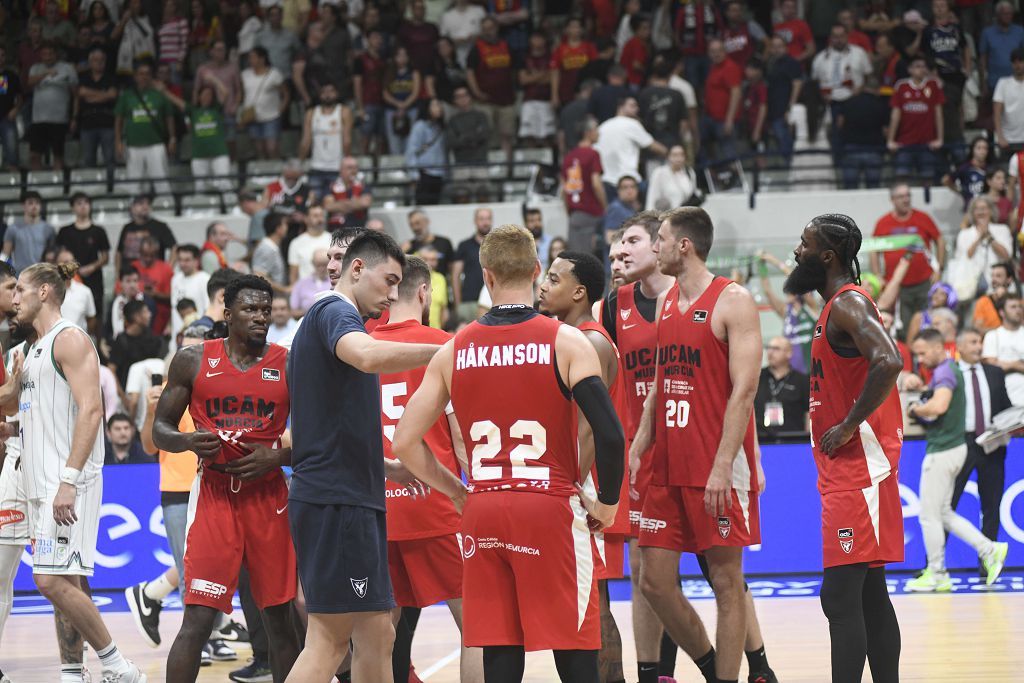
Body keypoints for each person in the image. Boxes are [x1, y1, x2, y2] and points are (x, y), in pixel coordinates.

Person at [392, 224, 624, 683]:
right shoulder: (565, 340)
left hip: (484, 509)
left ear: (486, 276)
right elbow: (610, 434)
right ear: (537, 270)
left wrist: (457, 491)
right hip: (548, 506)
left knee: (500, 650)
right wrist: (609, 505)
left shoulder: (454, 348)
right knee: (574, 649)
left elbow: (403, 443)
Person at [285, 231, 440, 682]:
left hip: (354, 493)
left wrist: (382, 464)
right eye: (389, 281)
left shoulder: (333, 320)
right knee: (329, 642)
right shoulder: (334, 312)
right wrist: (447, 348)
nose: (393, 295)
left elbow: (331, 417)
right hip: (336, 502)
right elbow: (368, 356)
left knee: (378, 636)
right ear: (357, 270)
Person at [629, 207, 762, 683]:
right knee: (654, 582)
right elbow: (663, 376)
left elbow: (745, 390)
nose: (657, 246)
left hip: (714, 463)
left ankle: (729, 677)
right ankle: (709, 663)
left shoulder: (734, 300)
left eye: (661, 239)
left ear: (683, 245)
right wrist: (643, 437)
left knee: (727, 583)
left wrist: (726, 464)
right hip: (666, 463)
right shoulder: (667, 303)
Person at [153, 275, 300, 683]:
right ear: (227, 311)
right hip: (215, 496)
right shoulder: (192, 359)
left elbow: (321, 436)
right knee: (197, 621)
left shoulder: (289, 362)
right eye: (251, 309)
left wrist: (278, 457)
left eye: (266, 310)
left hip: (269, 498)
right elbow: (159, 429)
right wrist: (185, 440)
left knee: (281, 622)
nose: (261, 317)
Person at [10, 261, 146, 681]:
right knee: (67, 583)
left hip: (66, 483)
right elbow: (19, 408)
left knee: (49, 581)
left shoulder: (69, 339)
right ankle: (74, 670)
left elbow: (92, 411)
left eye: (19, 289)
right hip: (40, 484)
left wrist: (68, 480)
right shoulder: (32, 349)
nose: (12, 298)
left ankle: (118, 666)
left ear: (45, 291)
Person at [784, 213, 902, 683]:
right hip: (845, 473)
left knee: (838, 597)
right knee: (871, 594)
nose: (797, 251)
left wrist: (850, 424)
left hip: (859, 471)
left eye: (804, 243)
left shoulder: (849, 304)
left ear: (826, 256)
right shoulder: (833, 306)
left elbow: (889, 361)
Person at [370, 256, 482, 683]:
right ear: (423, 292)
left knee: (379, 634)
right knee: (477, 625)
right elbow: (462, 441)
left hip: (376, 507)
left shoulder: (359, 345)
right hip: (436, 504)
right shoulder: (444, 344)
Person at [537, 250, 632, 683]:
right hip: (582, 484)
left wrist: (572, 490)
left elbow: (589, 431)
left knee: (595, 603)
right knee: (583, 602)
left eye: (553, 279)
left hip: (587, 488)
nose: (543, 285)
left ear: (579, 292)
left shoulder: (590, 340)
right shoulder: (571, 336)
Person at [598, 211, 678, 682]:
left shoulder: (695, 299)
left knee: (722, 574)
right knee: (645, 572)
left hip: (695, 444)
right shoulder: (614, 305)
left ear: (660, 244)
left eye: (631, 241)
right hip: (642, 454)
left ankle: (756, 666)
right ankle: (654, 673)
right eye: (615, 247)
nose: (620, 253)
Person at [905, 328, 1009, 592]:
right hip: (955, 449)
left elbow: (939, 406)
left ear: (938, 347)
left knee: (929, 516)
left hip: (943, 450)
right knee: (943, 513)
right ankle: (989, 549)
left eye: (922, 352)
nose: (919, 358)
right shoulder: (950, 370)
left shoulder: (944, 371)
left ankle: (937, 573)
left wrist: (915, 409)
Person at [952, 327, 1014, 575]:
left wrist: (1013, 420)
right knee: (947, 504)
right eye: (973, 342)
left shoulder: (995, 373)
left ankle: (988, 564)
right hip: (961, 443)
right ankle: (933, 566)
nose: (978, 347)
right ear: (960, 347)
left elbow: (1006, 407)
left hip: (992, 443)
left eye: (980, 342)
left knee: (991, 505)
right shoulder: (952, 373)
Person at [871, 185, 945, 338]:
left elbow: (940, 240)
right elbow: (874, 249)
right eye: (901, 197)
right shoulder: (883, 222)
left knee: (928, 323)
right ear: (892, 200)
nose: (906, 200)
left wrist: (939, 268)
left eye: (908, 196)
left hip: (925, 282)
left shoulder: (923, 218)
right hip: (898, 287)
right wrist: (878, 275)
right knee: (903, 326)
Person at [114, 59, 174, 196]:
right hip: (133, 145)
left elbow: (169, 117)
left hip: (156, 144)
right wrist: (118, 142)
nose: (144, 76)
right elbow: (119, 120)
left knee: (161, 181)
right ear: (135, 76)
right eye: (141, 74)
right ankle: (134, 211)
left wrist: (172, 138)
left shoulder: (159, 94)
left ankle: (166, 207)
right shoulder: (127, 96)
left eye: (147, 73)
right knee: (134, 184)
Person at [887, 55, 944, 183]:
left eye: (923, 66)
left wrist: (940, 138)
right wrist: (890, 140)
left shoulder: (933, 85)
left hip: (927, 143)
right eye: (917, 66)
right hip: (905, 143)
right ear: (910, 70)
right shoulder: (901, 86)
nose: (921, 69)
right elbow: (895, 114)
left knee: (928, 178)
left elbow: (938, 114)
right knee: (901, 178)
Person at [595, 95, 667, 195]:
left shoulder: (602, 126)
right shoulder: (632, 124)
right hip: (629, 181)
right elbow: (652, 146)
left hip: (607, 181)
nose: (637, 109)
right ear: (621, 107)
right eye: (632, 106)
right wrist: (670, 153)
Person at [56, 192, 110, 323]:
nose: (83, 206)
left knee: (96, 313)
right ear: (73, 207)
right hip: (69, 277)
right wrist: (71, 266)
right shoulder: (65, 231)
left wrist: (92, 267)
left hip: (93, 278)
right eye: (79, 203)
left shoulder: (98, 231)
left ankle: (96, 341)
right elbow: (60, 255)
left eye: (86, 203)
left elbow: (105, 257)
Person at [27, 41, 77, 170]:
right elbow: (28, 83)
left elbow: (76, 94)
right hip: (38, 119)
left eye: (51, 53)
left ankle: (57, 186)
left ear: (56, 54)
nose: (48, 57)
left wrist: (74, 117)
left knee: (58, 155)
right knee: (34, 155)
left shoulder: (67, 68)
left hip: (59, 119)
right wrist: (46, 73)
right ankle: (36, 184)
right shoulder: (35, 68)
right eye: (44, 54)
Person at [562, 115, 607, 256]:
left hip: (575, 215)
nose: (599, 133)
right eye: (596, 129)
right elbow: (596, 183)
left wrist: (569, 211)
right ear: (587, 133)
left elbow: (564, 189)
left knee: (576, 260)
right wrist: (606, 207)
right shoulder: (593, 154)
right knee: (592, 260)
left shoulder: (568, 157)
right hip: (592, 214)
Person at [755, 336, 809, 439]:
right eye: (768, 348)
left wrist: (807, 438)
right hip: (761, 440)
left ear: (789, 353)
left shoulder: (802, 380)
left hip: (793, 441)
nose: (770, 352)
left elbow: (808, 413)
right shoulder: (757, 377)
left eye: (776, 349)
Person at [240, 46, 288, 159]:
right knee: (259, 149)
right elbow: (242, 94)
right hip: (253, 116)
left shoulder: (274, 74)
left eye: (253, 57)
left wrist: (281, 109)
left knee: (271, 148)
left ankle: (276, 172)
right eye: (249, 58)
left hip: (271, 116)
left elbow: (285, 93)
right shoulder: (245, 75)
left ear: (262, 59)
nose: (250, 60)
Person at [77, 47, 117, 175]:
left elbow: (113, 95)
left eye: (101, 60)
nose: (99, 63)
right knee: (88, 160)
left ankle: (111, 187)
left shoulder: (111, 78)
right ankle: (91, 188)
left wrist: (91, 95)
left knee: (110, 158)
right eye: (95, 60)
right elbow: (81, 93)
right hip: (88, 124)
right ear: (90, 62)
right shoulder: (83, 78)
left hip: (107, 123)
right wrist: (104, 94)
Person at [116, 195, 177, 274]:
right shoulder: (127, 228)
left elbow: (174, 248)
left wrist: (167, 271)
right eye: (141, 204)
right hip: (129, 276)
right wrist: (118, 275)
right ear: (132, 207)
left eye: (148, 204)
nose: (145, 207)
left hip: (153, 276)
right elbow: (119, 253)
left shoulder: (160, 226)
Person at [982, 294, 1024, 405]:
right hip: (1006, 399)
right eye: (1013, 307)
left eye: (1020, 307)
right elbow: (991, 366)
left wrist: (1005, 364)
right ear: (1002, 312)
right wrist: (1015, 365)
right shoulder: (993, 335)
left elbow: (998, 363)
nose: (1018, 310)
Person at [452, 208, 492, 322]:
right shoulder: (464, 246)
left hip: (492, 300)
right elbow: (455, 276)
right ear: (475, 221)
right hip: (469, 301)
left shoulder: (498, 246)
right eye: (481, 219)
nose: (485, 222)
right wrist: (458, 304)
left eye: (488, 218)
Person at [405, 98, 448, 206]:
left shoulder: (440, 127)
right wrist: (414, 175)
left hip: (439, 173)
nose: (439, 108)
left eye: (439, 105)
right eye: (435, 105)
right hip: (424, 173)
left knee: (435, 206)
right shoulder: (420, 126)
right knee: (423, 206)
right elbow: (412, 151)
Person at [3, 191, 56, 274]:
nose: (34, 206)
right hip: (20, 275)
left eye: (37, 203)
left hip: (42, 275)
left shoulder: (49, 229)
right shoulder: (13, 228)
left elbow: (52, 255)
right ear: (23, 206)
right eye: (30, 203)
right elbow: (5, 255)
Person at [133, 236, 174, 335]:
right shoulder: (133, 267)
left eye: (152, 255)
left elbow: (173, 297)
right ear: (139, 252)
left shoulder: (166, 269)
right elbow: (119, 292)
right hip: (135, 323)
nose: (148, 258)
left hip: (159, 323)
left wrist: (155, 294)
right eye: (145, 255)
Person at [170, 245, 210, 341]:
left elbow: (208, 310)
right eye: (180, 260)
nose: (182, 264)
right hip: (176, 337)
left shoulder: (204, 279)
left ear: (196, 261)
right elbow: (173, 308)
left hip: (196, 337)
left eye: (187, 260)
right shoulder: (175, 279)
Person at [323, 156, 373, 229]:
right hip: (336, 231)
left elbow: (365, 203)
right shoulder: (331, 185)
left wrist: (340, 204)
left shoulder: (363, 185)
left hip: (359, 229)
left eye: (355, 167)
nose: (353, 171)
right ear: (341, 170)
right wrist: (355, 203)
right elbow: (329, 206)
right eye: (349, 168)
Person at [56, 247, 98, 334]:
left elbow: (91, 319)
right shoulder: (49, 291)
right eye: (65, 262)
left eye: (72, 262)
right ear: (57, 265)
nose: (69, 266)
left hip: (79, 342)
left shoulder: (85, 291)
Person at [645, 145, 698, 211]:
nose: (678, 158)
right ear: (668, 157)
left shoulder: (689, 172)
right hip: (666, 215)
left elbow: (694, 194)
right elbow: (652, 198)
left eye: (681, 155)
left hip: (685, 215)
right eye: (675, 155)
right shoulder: (659, 173)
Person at [402, 209, 455, 275]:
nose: (415, 228)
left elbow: (452, 270)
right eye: (411, 225)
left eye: (417, 223)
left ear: (427, 221)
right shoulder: (408, 246)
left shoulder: (444, 243)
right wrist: (401, 252)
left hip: (441, 283)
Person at [289, 207, 332, 283]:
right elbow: (293, 276)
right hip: (305, 291)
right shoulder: (296, 243)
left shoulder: (334, 240)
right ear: (306, 219)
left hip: (329, 290)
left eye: (321, 215)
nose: (320, 219)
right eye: (315, 216)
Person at [994, 48, 1024, 155]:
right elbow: (997, 113)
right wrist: (1000, 137)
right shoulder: (1003, 83)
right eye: (1014, 62)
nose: (1017, 65)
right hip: (1008, 141)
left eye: (1020, 61)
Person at [252, 213, 290, 295]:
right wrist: (284, 289)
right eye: (285, 224)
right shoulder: (266, 248)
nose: (287, 227)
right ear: (278, 228)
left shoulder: (273, 247)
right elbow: (258, 276)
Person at [290, 248, 331, 317]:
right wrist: (312, 311)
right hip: (307, 321)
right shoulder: (301, 284)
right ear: (313, 263)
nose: (321, 268)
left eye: (324, 265)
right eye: (318, 265)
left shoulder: (336, 282)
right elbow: (293, 311)